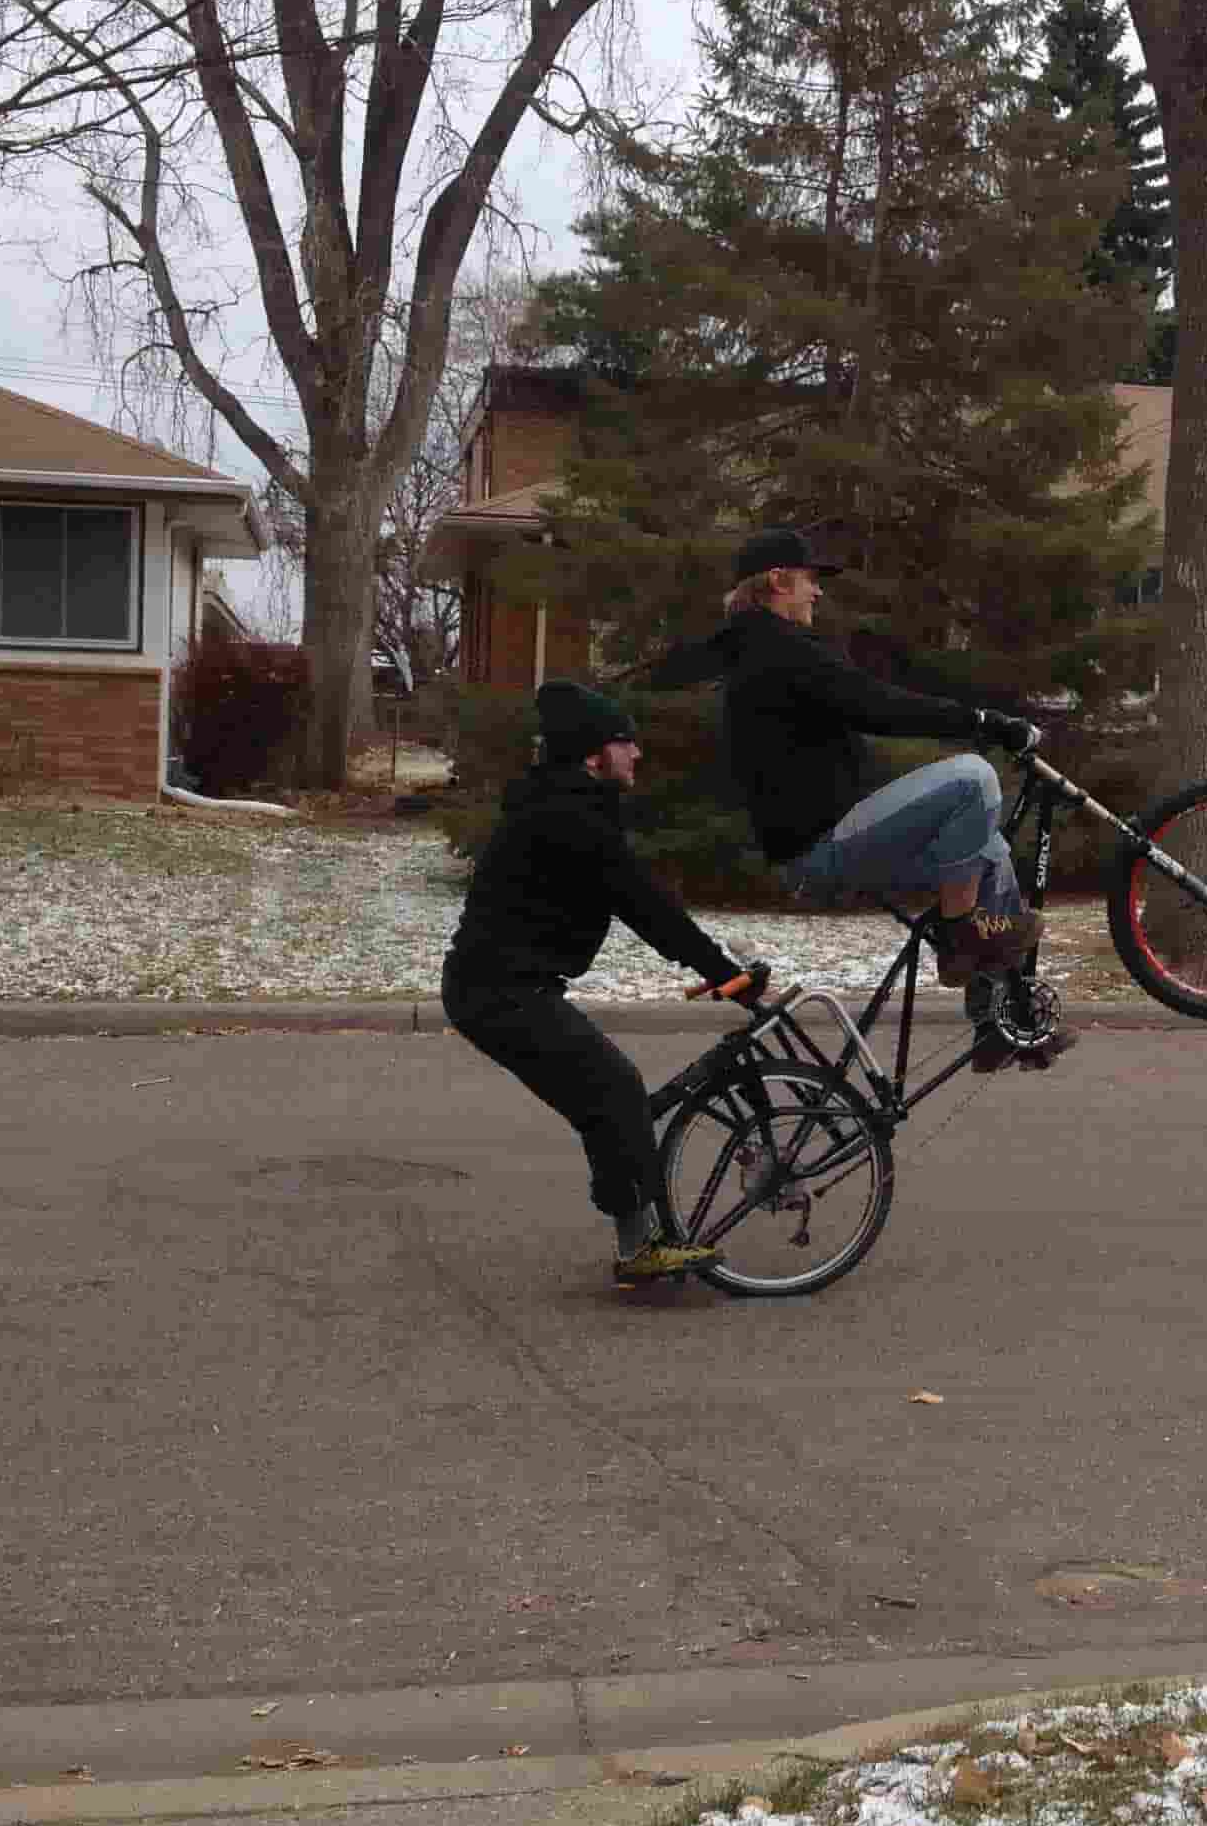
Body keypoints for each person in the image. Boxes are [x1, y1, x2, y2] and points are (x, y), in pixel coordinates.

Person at [642, 525, 1072, 1070]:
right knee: (973, 778)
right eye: (810, 581)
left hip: (830, 836)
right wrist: (984, 722)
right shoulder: (778, 650)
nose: (818, 593)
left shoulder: (756, 647)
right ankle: (961, 934)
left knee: (990, 853)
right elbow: (878, 705)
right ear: (777, 580)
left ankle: (998, 1022)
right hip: (822, 846)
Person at [441, 679, 766, 1290]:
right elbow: (645, 906)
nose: (637, 754)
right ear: (594, 753)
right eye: (627, 743)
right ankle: (638, 1248)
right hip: (499, 992)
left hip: (504, 986)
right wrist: (725, 975)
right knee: (614, 1090)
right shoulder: (570, 818)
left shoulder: (571, 806)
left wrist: (719, 970)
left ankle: (637, 1227)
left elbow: (641, 900)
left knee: (605, 1100)